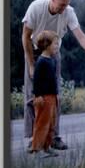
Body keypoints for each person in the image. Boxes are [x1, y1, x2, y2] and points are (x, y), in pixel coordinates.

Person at [22, 0, 85, 150]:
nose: (64, 8)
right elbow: (25, 37)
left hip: (54, 55)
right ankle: (33, 138)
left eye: (67, 4)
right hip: (34, 52)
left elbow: (81, 37)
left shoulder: (69, 12)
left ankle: (53, 136)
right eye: (62, 4)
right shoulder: (36, 7)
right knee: (32, 97)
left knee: (54, 97)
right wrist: (31, 64)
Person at [29, 30, 60, 158]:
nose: (57, 46)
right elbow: (36, 81)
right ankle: (37, 149)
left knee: (51, 123)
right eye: (55, 44)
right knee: (42, 123)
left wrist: (57, 94)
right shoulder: (41, 62)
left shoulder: (52, 60)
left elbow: (53, 80)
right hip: (43, 98)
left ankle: (47, 147)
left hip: (52, 97)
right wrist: (38, 96)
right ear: (47, 45)